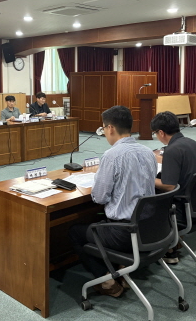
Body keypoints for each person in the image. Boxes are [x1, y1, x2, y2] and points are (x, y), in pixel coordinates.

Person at [69, 106, 157, 298]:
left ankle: (107, 282)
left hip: (124, 233)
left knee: (75, 232)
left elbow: (100, 197)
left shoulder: (112, 156)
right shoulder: (148, 152)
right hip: (151, 228)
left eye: (103, 128)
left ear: (110, 128)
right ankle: (123, 271)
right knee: (102, 219)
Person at [151, 111, 196, 264]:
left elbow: (169, 186)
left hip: (182, 209)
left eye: (155, 133)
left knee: (148, 201)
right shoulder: (191, 142)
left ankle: (169, 249)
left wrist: (148, 179)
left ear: (161, 132)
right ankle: (174, 241)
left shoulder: (172, 150)